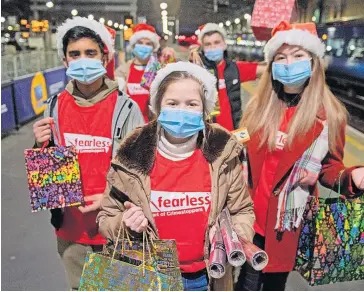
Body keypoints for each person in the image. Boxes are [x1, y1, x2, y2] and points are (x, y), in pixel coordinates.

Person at [97, 62, 255, 291]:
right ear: (157, 107)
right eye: (172, 103)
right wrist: (125, 223)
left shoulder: (223, 155)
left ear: (204, 110)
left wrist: (232, 235)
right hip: (149, 277)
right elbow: (105, 218)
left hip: (207, 277)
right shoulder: (131, 156)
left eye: (192, 104)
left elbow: (242, 211)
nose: (182, 110)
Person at [236, 21, 364, 291]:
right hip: (251, 217)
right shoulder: (258, 107)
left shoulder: (330, 116)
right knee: (245, 283)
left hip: (287, 225)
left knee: (273, 284)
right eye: (280, 57)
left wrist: (351, 177)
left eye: (297, 56)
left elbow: (330, 169)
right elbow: (239, 142)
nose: (288, 63)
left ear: (313, 62)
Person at [32, 17, 144, 290]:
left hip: (116, 230)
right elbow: (48, 177)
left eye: (90, 53)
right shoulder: (54, 106)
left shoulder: (126, 108)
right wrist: (39, 147)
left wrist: (109, 198)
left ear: (105, 56)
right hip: (71, 233)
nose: (83, 60)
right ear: (65, 60)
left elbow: (143, 173)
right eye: (75, 54)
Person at [194, 23, 266, 131]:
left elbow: (266, 71)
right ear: (202, 48)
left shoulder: (235, 68)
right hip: (208, 135)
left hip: (234, 133)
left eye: (217, 42)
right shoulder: (197, 71)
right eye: (208, 44)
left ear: (224, 44)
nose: (213, 47)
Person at [115, 23, 175, 122]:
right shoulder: (123, 71)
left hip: (152, 125)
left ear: (153, 47)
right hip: (129, 124)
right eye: (140, 42)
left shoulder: (157, 70)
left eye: (148, 44)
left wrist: (170, 61)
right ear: (134, 46)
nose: (144, 46)